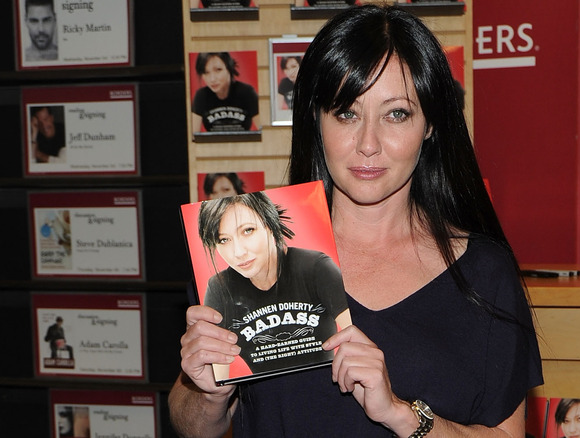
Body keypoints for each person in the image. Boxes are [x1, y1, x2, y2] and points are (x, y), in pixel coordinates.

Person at [169, 4, 543, 437]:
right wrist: (207, 390)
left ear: (430, 125)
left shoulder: (484, 273)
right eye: (347, 112)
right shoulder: (248, 251)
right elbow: (191, 424)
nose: (368, 143)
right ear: (316, 118)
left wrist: (402, 414)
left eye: (396, 114)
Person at [196, 191, 352, 377]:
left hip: (330, 392)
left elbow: (359, 341)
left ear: (269, 225)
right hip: (265, 403)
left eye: (248, 231)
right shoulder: (220, 288)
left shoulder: (315, 268)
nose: (238, 252)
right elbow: (218, 381)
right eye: (224, 240)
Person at [191, 52, 260, 133]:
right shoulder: (201, 96)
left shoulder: (247, 92)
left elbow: (265, 132)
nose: (212, 79)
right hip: (213, 145)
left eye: (218, 70)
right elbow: (193, 138)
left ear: (229, 68)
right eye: (206, 72)